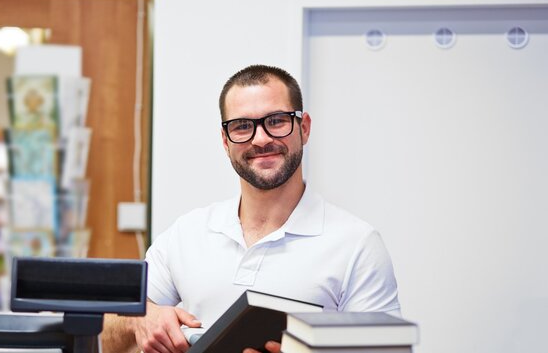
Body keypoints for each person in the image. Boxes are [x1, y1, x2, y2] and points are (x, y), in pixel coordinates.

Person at [102, 65, 401, 353]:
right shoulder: (187, 233)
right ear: (225, 140)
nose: (261, 139)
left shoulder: (356, 245)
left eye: (277, 120)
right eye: (242, 126)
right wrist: (137, 320)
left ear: (304, 128)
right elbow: (102, 336)